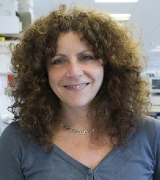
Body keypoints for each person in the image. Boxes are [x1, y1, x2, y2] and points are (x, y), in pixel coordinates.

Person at [0, 4, 160, 180]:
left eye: (86, 57)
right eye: (58, 61)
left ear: (109, 65)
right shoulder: (17, 139)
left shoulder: (151, 134)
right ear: (42, 72)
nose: (74, 72)